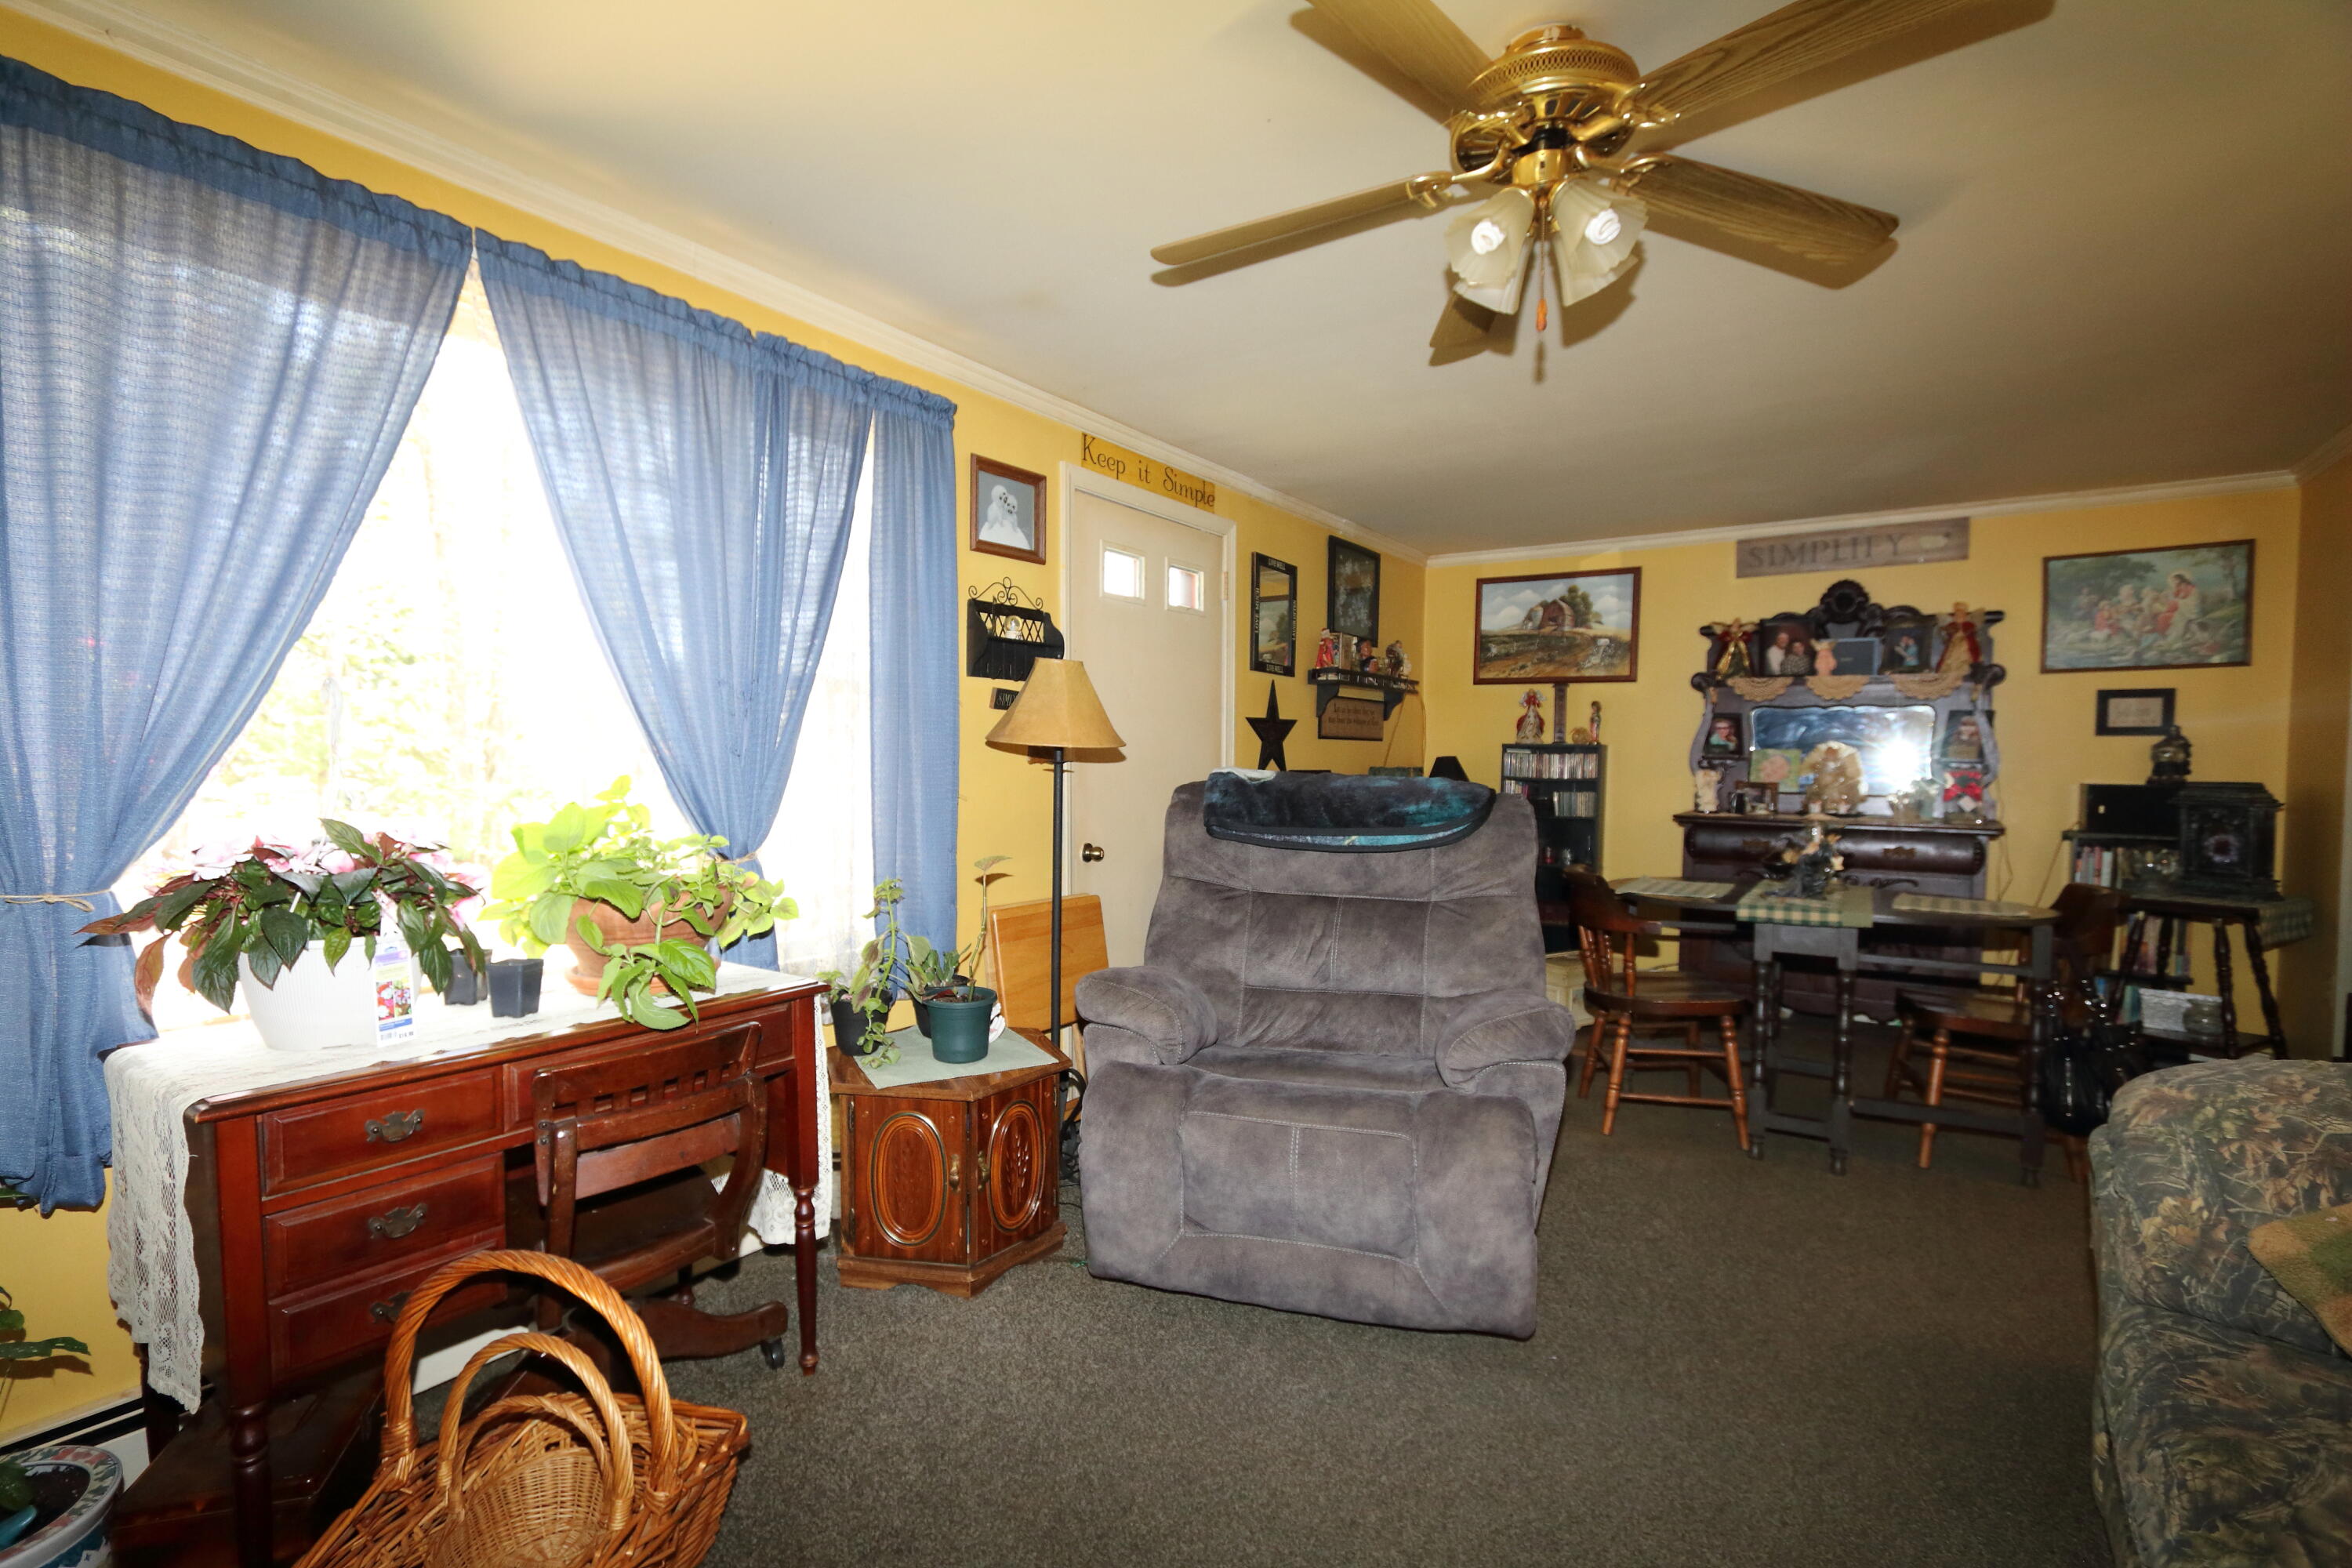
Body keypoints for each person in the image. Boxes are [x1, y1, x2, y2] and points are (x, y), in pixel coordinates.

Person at [978, 481, 1030, 550]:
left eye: (1004, 494)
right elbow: (997, 518)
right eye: (1000, 497)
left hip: (1009, 526)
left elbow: (1012, 512)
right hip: (998, 525)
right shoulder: (995, 507)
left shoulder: (1008, 502)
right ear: (996, 499)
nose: (1004, 497)